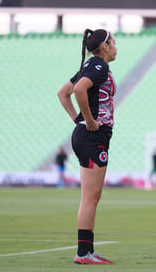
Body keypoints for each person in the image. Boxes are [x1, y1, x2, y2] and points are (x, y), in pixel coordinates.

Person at [57, 28, 117, 265]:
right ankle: (83, 253)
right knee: (90, 198)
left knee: (91, 196)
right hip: (93, 136)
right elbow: (78, 90)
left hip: (89, 135)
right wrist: (88, 120)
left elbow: (63, 94)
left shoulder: (92, 67)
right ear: (105, 46)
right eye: (113, 42)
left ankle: (87, 252)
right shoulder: (99, 66)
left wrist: (77, 120)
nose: (115, 46)